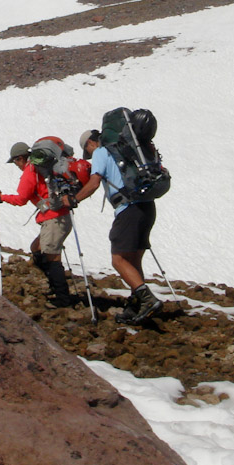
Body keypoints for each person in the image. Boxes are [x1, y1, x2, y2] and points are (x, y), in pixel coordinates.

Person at [74, 128, 162, 323]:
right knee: (133, 259)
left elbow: (94, 182)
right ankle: (136, 305)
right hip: (147, 206)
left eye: (88, 151)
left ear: (90, 143)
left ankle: (147, 300)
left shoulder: (100, 152)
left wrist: (74, 199)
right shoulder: (125, 150)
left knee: (119, 259)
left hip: (128, 209)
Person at [0, 140, 86, 307]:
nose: (16, 165)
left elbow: (21, 199)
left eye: (15, 161)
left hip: (54, 218)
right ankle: (56, 288)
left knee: (52, 255)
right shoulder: (40, 168)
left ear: (20, 158)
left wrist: (1, 198)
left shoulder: (30, 171)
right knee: (37, 248)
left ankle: (62, 299)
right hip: (59, 216)